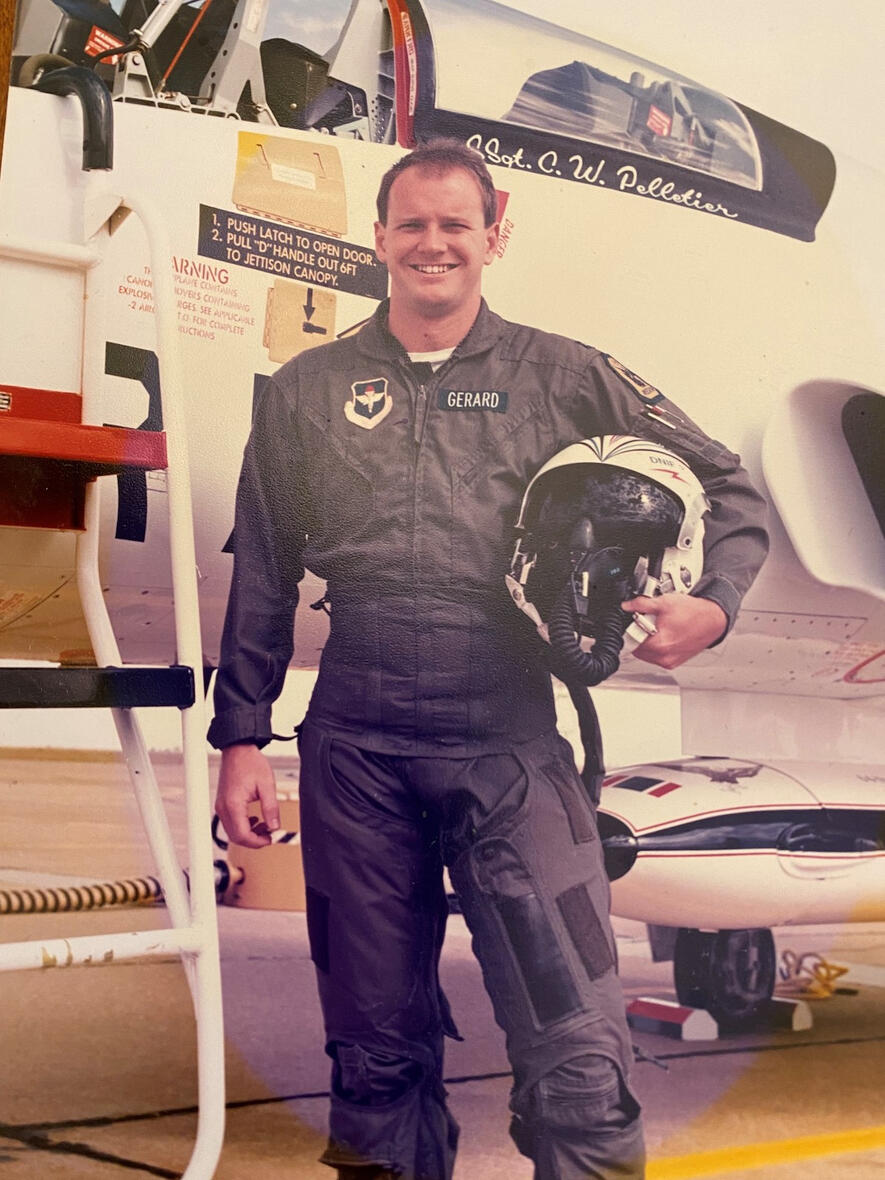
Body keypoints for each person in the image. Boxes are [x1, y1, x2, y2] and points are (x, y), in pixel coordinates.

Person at [209, 140, 768, 1180]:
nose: (433, 244)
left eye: (455, 225)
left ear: (493, 237)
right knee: (373, 1063)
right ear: (380, 238)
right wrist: (241, 736)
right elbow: (266, 573)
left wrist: (714, 606)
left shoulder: (565, 374)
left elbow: (731, 490)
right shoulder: (305, 391)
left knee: (580, 1060)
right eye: (412, 225)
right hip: (356, 750)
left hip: (507, 740)